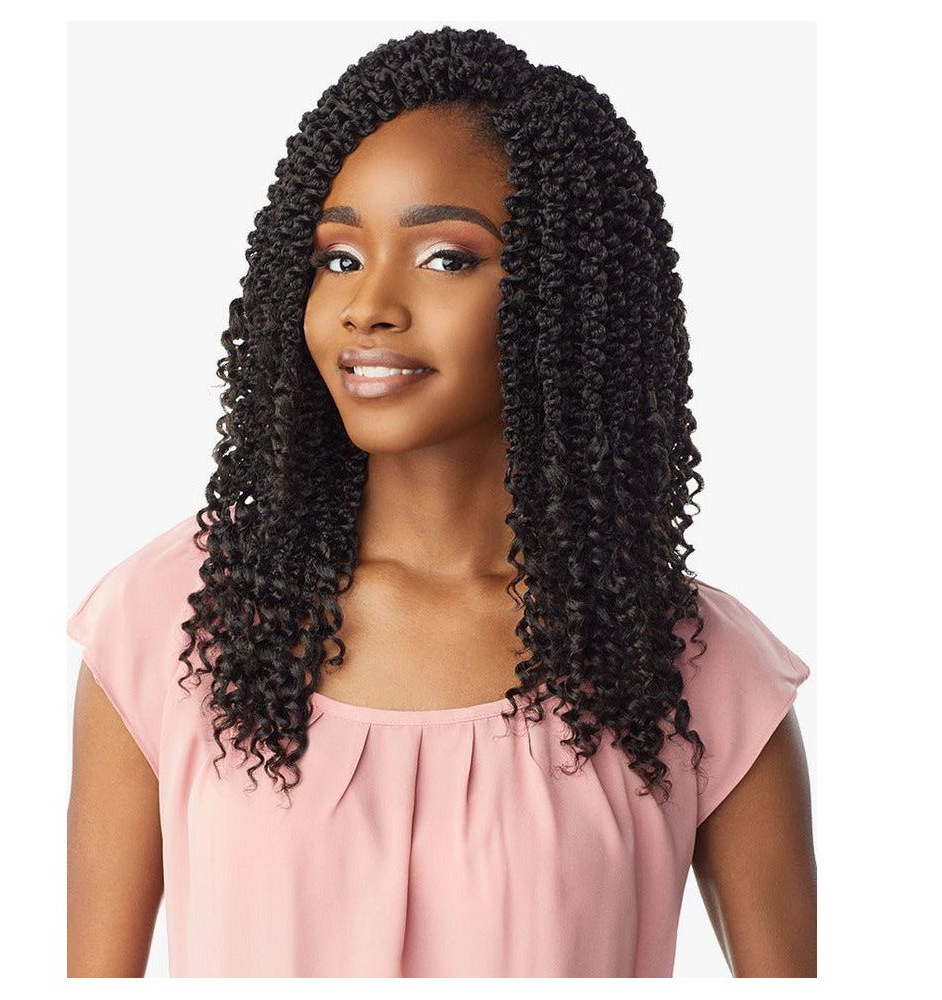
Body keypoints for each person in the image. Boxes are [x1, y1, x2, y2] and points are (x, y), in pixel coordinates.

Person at [66, 25, 815, 978]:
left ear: (565, 295)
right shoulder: (175, 619)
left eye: (446, 258)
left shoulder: (693, 670)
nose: (368, 304)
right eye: (340, 257)